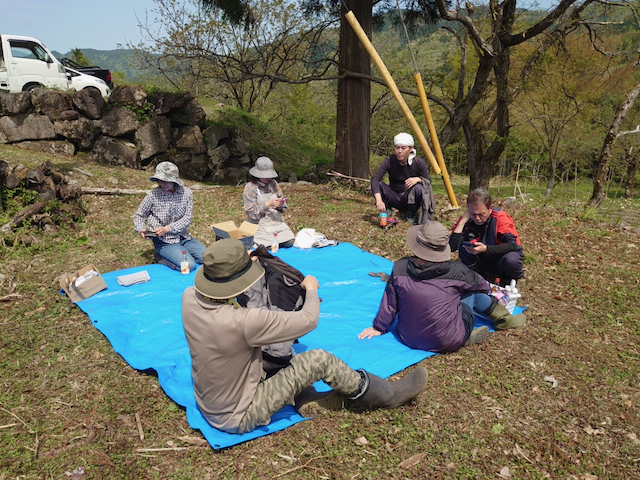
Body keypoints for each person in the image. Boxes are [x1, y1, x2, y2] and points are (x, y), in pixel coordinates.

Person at [181, 239, 428, 434]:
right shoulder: (244, 322)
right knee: (316, 360)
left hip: (209, 402)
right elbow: (308, 319)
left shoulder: (189, 298)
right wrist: (310, 289)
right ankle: (387, 396)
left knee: (275, 357)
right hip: (240, 415)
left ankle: (305, 398)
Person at [358, 222, 526, 352]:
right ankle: (503, 319)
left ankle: (465, 333)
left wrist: (378, 327)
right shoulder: (457, 271)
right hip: (448, 340)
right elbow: (481, 285)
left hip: (408, 338)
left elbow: (389, 302)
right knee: (472, 293)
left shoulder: (400, 267)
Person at [133, 161, 206, 272]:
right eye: (160, 180)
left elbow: (187, 218)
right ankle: (161, 258)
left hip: (183, 237)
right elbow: (140, 215)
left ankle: (181, 253)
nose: (163, 183)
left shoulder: (186, 193)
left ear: (174, 181)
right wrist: (140, 229)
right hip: (163, 240)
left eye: (167, 181)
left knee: (208, 258)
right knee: (188, 267)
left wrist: (168, 228)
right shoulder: (152, 195)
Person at [449, 188, 524, 286]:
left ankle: (509, 281)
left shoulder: (500, 218)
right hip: (480, 259)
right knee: (463, 247)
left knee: (512, 260)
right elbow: (452, 246)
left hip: (499, 257)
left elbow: (513, 245)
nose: (477, 218)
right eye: (473, 214)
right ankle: (477, 277)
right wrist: (462, 222)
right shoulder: (467, 218)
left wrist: (486, 249)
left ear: (490, 208)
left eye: (481, 214)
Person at [370, 132, 435, 225]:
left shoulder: (419, 163)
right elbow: (375, 179)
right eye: (397, 147)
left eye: (403, 148)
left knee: (419, 188)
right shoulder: (389, 160)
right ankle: (387, 209)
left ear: (411, 148)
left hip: (410, 198)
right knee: (379, 184)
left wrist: (418, 179)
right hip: (394, 196)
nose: (399, 151)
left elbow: (428, 182)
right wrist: (378, 200)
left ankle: (411, 212)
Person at [243, 156, 295, 249]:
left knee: (290, 242)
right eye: (264, 175)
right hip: (258, 224)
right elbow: (251, 213)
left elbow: (283, 206)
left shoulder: (273, 183)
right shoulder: (250, 187)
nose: (268, 177)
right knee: (267, 246)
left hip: (275, 222)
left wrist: (280, 205)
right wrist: (268, 204)